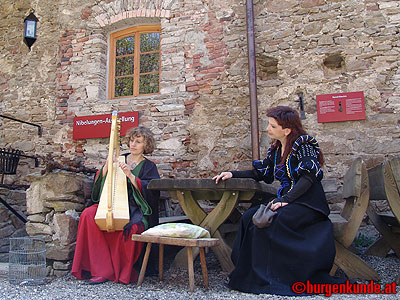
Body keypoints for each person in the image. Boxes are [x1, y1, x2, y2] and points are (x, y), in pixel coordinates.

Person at [213, 106, 344, 296]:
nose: (268, 129)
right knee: (249, 217)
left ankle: (274, 278)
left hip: (308, 204)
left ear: (287, 129)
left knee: (271, 222)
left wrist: (286, 199)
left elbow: (309, 177)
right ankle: (249, 275)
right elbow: (261, 173)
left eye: (272, 126)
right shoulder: (276, 149)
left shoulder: (304, 144)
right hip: (287, 202)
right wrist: (232, 174)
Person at [71, 126, 160, 284]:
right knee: (88, 215)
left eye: (138, 142)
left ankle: (121, 271)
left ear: (146, 145)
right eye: (132, 140)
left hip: (136, 208)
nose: (133, 144)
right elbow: (101, 182)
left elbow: (151, 191)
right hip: (112, 202)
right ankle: (100, 269)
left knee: (132, 228)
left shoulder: (149, 167)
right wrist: (106, 167)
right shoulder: (120, 158)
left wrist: (131, 176)